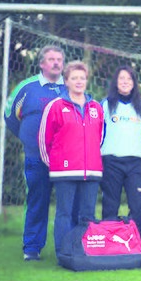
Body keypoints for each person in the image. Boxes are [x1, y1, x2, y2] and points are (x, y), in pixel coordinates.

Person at [4, 45, 66, 261]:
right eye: (51, 59)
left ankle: (67, 247)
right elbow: (11, 116)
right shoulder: (27, 87)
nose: (56, 63)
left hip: (65, 159)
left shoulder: (70, 87)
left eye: (59, 59)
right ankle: (31, 248)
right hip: (35, 156)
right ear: (41, 63)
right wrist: (28, 139)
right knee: (37, 200)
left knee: (67, 204)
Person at [39, 61, 103, 258]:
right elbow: (44, 139)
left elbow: (100, 137)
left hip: (91, 171)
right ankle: (63, 253)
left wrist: (89, 159)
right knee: (64, 213)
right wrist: (57, 164)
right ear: (66, 81)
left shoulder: (96, 107)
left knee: (87, 215)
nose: (78, 81)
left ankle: (84, 252)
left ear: (86, 81)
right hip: (64, 171)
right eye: (74, 78)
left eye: (82, 78)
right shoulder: (55, 106)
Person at [100, 66, 141, 236]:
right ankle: (109, 242)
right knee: (110, 204)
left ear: (134, 83)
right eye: (122, 78)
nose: (125, 82)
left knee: (138, 205)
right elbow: (100, 132)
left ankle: (135, 241)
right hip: (111, 161)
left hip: (136, 162)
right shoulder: (106, 104)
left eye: (129, 79)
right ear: (116, 82)